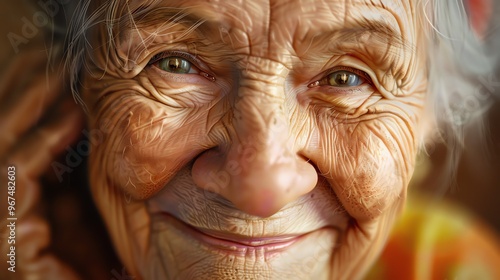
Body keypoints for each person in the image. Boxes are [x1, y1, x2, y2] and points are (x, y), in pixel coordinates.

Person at [1, 0, 499, 279]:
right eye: (174, 63)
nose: (259, 191)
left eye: (347, 78)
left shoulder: (445, 268)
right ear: (74, 89)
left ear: (430, 116)